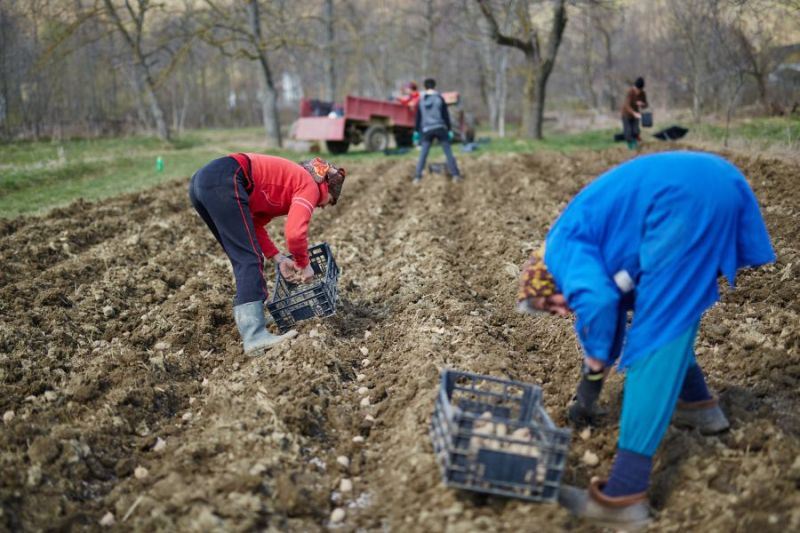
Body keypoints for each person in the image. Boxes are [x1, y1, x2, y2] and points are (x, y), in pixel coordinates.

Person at [516, 151, 775, 530]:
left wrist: (596, 361)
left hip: (683, 200)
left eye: (549, 303)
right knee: (673, 313)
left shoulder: (559, 251)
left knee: (656, 336)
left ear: (548, 280)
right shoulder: (580, 246)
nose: (558, 312)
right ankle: (699, 407)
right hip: (710, 182)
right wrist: (593, 372)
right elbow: (612, 305)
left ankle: (623, 494)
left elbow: (601, 300)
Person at [189, 154, 346, 355]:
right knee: (248, 258)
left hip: (204, 180)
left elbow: (253, 224)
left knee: (243, 256)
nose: (322, 206)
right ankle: (254, 336)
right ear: (325, 186)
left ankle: (253, 323)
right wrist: (303, 263)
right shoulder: (309, 186)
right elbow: (295, 234)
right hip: (225, 178)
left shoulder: (288, 183)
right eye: (328, 201)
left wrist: (277, 257)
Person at [412, 78, 462, 184]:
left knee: (423, 154)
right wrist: (449, 129)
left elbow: (418, 118)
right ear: (434, 86)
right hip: (440, 128)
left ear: (425, 87)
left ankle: (417, 177)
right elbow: (445, 115)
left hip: (426, 130)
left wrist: (416, 131)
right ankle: (455, 175)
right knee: (448, 152)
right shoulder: (440, 98)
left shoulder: (421, 101)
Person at [621, 77, 648, 150]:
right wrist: (634, 113)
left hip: (636, 115)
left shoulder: (643, 93)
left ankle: (636, 142)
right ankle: (631, 146)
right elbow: (627, 105)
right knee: (628, 133)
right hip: (626, 114)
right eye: (636, 89)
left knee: (636, 131)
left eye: (639, 90)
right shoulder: (630, 92)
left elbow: (646, 105)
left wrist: (642, 104)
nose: (637, 92)